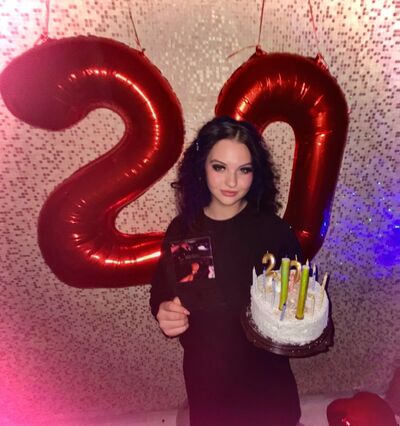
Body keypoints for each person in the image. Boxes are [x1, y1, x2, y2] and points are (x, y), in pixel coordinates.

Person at [150, 116, 302, 426]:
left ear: (255, 174)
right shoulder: (184, 231)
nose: (232, 182)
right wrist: (163, 310)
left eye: (244, 170)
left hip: (266, 377)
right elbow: (163, 291)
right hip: (208, 376)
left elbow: (299, 292)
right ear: (201, 168)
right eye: (219, 167)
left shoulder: (273, 231)